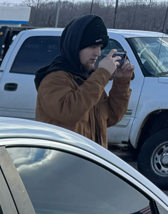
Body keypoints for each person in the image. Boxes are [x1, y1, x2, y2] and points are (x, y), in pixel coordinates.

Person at [34, 15, 135, 148]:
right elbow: (70, 112)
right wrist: (102, 74)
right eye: (92, 46)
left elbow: (110, 118)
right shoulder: (54, 79)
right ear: (76, 46)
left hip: (90, 161)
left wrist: (121, 82)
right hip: (62, 162)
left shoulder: (89, 79)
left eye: (100, 47)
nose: (98, 53)